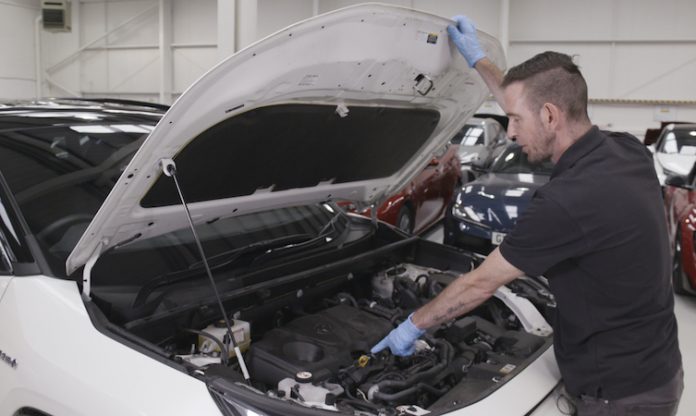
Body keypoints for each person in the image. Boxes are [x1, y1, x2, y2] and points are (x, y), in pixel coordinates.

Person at [371, 15, 683, 416]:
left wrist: (413, 325)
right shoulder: (625, 150)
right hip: (655, 365)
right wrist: (478, 60)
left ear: (550, 116)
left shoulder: (567, 202)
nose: (511, 132)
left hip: (619, 396)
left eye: (516, 120)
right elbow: (523, 98)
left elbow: (480, 285)